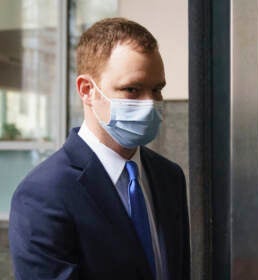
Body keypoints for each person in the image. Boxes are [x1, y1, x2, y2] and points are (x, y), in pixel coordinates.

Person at [8, 17, 189, 280]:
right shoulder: (43, 195)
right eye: (132, 89)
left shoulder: (169, 177)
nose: (150, 104)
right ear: (87, 90)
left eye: (157, 89)